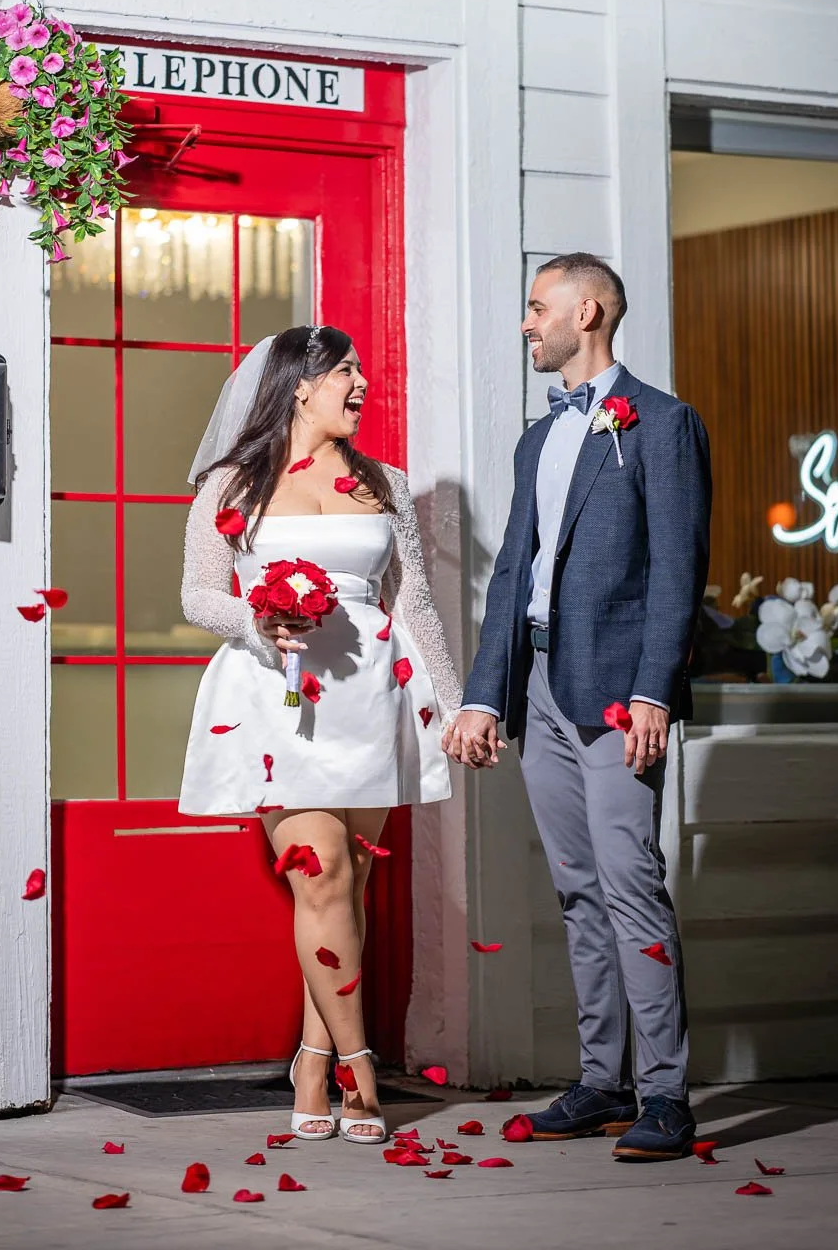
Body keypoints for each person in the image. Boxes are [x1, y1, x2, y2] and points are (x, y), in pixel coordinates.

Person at [445, 253, 711, 1162]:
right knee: (575, 889)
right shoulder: (537, 438)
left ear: (585, 312)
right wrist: (485, 695)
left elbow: (678, 569)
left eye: (535, 308)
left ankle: (666, 1097)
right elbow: (511, 575)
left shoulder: (663, 426)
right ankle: (602, 1081)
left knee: (631, 885)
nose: (526, 324)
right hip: (539, 694)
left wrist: (651, 692)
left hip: (615, 699)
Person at [178, 325, 460, 1144]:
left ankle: (311, 1057)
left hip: (370, 694)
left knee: (346, 886)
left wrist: (456, 705)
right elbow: (199, 594)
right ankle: (360, 1067)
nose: (362, 382)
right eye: (346, 370)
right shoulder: (231, 483)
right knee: (322, 871)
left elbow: (411, 603)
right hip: (275, 697)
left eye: (361, 370)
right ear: (299, 386)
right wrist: (260, 621)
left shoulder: (387, 484)